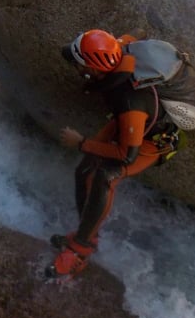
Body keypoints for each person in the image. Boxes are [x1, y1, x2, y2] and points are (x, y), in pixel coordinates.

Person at [47, 30, 182, 280]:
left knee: (105, 176)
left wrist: (82, 142)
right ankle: (87, 233)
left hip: (153, 140)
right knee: (84, 169)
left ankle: (80, 251)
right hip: (131, 124)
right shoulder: (117, 52)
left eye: (80, 65)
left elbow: (126, 155)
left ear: (95, 68)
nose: (77, 70)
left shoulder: (129, 99)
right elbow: (131, 37)